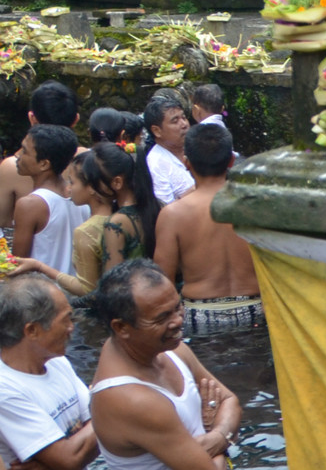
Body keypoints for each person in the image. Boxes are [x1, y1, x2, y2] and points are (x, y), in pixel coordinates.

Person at [87, 260, 241, 470]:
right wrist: (214, 430)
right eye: (161, 318)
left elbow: (231, 401)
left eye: (177, 307)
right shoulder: (130, 397)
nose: (178, 321)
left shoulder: (171, 349)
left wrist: (216, 437)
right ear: (121, 327)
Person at [0, 274, 97, 470]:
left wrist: (53, 466)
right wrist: (112, 405)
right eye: (66, 319)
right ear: (32, 330)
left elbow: (75, 452)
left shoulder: (57, 361)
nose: (72, 327)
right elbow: (72, 458)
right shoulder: (5, 389)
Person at [153, 124, 261, 337]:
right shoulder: (256, 207)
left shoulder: (173, 215)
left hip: (200, 315)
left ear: (186, 163)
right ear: (231, 160)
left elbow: (162, 281)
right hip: (257, 309)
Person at [13, 143, 145, 297]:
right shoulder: (137, 213)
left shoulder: (89, 231)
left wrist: (39, 266)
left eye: (72, 182)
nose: (68, 188)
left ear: (91, 187)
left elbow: (89, 290)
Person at [0, 81, 78, 231]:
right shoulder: (87, 162)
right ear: (76, 119)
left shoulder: (11, 167)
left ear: (32, 118)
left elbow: (2, 223)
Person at [10, 127, 85, 277]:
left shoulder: (30, 204)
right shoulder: (81, 196)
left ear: (44, 164)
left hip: (40, 295)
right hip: (75, 292)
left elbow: (17, 266)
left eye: (24, 151)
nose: (18, 155)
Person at [142, 96, 195, 204]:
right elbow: (164, 210)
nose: (184, 124)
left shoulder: (195, 147)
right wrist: (197, 190)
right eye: (175, 121)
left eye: (184, 118)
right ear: (157, 131)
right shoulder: (156, 163)